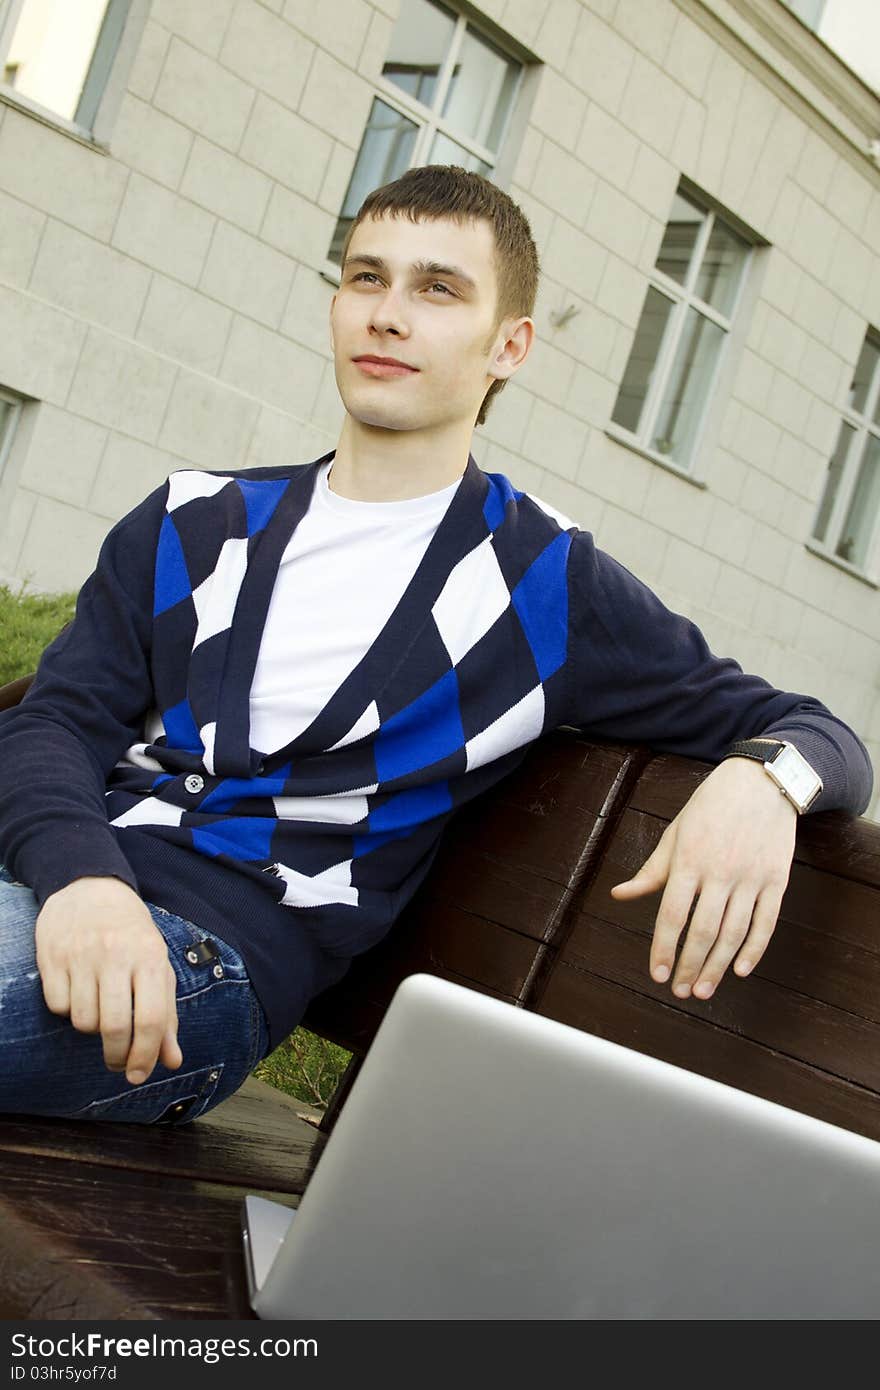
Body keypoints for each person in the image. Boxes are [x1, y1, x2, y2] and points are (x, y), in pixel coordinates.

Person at [0, 166, 872, 1126]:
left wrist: (764, 785)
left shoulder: (543, 585)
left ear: (511, 345)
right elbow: (58, 722)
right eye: (366, 277)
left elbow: (812, 730)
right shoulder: (193, 520)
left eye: (438, 289)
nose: (387, 314)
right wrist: (83, 879)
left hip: (194, 964)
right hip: (58, 892)